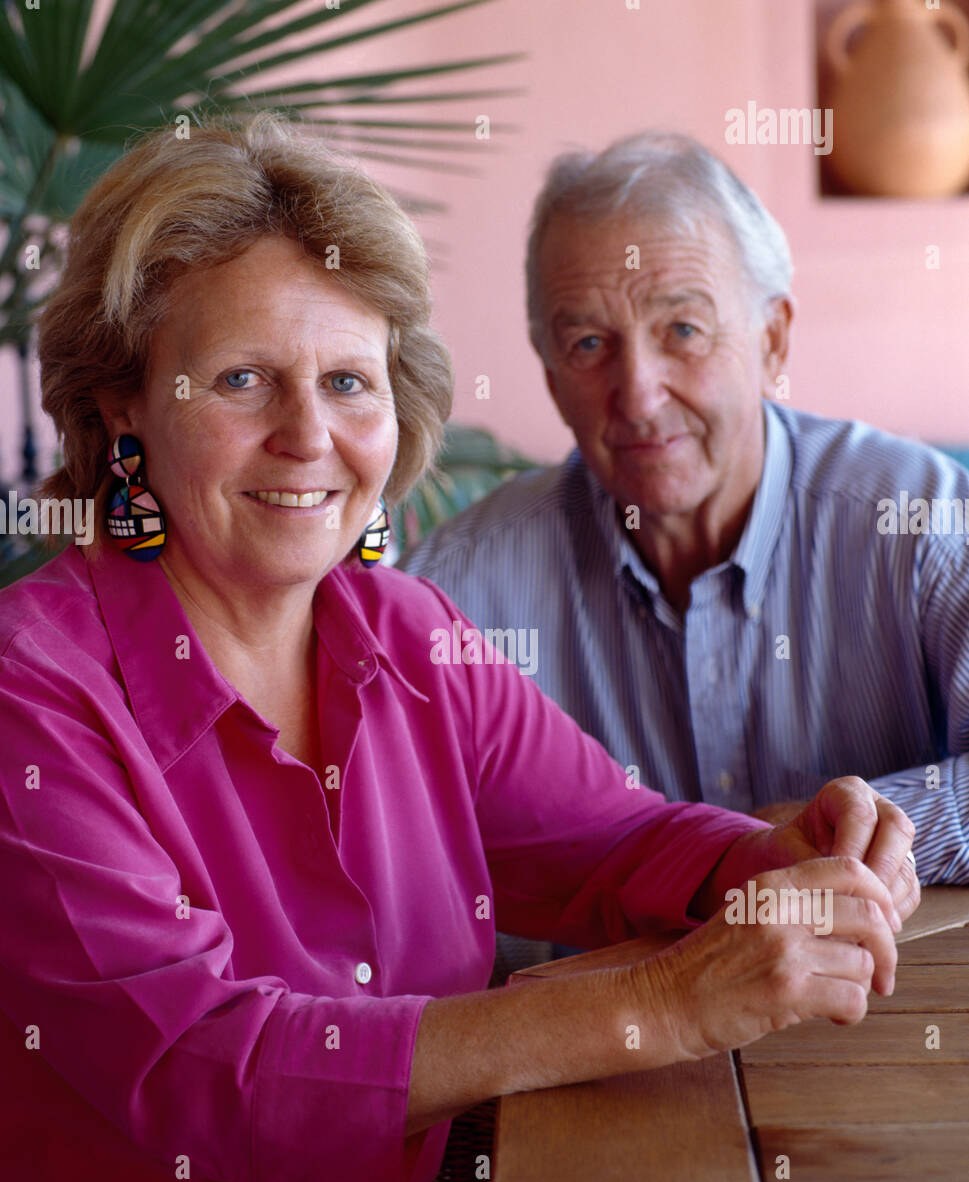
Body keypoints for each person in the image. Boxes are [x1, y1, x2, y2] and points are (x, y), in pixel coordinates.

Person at [0, 115, 917, 1182]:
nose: (309, 436)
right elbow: (205, 1068)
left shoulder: (408, 635)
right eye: (243, 380)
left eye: (347, 382)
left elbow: (618, 841)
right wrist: (663, 1003)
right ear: (124, 402)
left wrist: (774, 857)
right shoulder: (33, 691)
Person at [403, 131, 969, 888]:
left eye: (682, 330)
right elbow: (393, 862)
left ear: (771, 340)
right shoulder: (455, 591)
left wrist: (835, 842)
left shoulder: (920, 520)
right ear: (548, 372)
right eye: (589, 343)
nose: (638, 395)